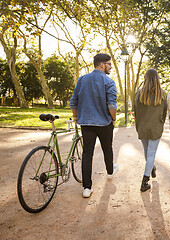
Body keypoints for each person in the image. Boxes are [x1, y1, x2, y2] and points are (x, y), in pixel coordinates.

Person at [70, 53, 118, 198]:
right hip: (104, 123)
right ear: (102, 64)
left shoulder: (82, 80)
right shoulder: (109, 82)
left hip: (86, 123)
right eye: (109, 64)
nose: (111, 67)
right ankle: (110, 171)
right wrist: (113, 119)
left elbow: (73, 102)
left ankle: (87, 187)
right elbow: (112, 105)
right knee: (107, 148)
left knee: (87, 153)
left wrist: (76, 116)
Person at [134, 69, 167, 192]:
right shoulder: (162, 94)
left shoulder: (139, 93)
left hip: (142, 127)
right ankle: (145, 180)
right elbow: (164, 113)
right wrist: (161, 123)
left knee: (147, 151)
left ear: (145, 78)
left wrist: (138, 125)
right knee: (151, 153)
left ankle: (151, 168)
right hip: (155, 128)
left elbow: (136, 111)